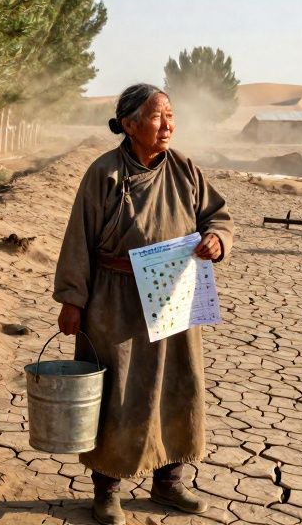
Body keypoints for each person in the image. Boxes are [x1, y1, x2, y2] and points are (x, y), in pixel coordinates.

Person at [53, 83, 234, 525]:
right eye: (157, 116)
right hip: (115, 299)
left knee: (178, 385)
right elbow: (78, 237)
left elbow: (217, 216)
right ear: (130, 125)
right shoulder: (104, 172)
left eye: (171, 115)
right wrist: (73, 299)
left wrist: (216, 239)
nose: (167, 125)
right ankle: (107, 490)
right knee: (117, 393)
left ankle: (168, 482)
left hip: (176, 293)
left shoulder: (185, 169)